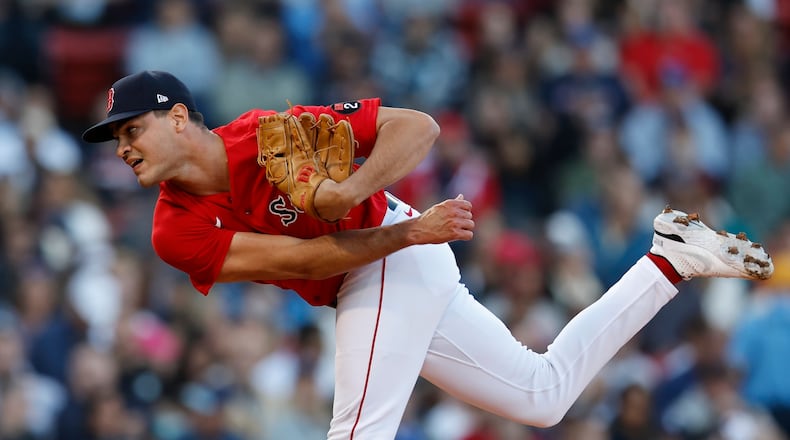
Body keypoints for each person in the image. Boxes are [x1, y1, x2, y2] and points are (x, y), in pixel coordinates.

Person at [82, 70, 774, 440]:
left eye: (131, 127)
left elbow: (419, 126)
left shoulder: (267, 133)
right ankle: (671, 261)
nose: (122, 146)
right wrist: (390, 232)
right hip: (383, 253)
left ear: (179, 117)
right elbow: (301, 265)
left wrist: (348, 189)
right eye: (114, 137)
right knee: (542, 397)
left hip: (394, 253)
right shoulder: (172, 231)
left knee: (357, 433)